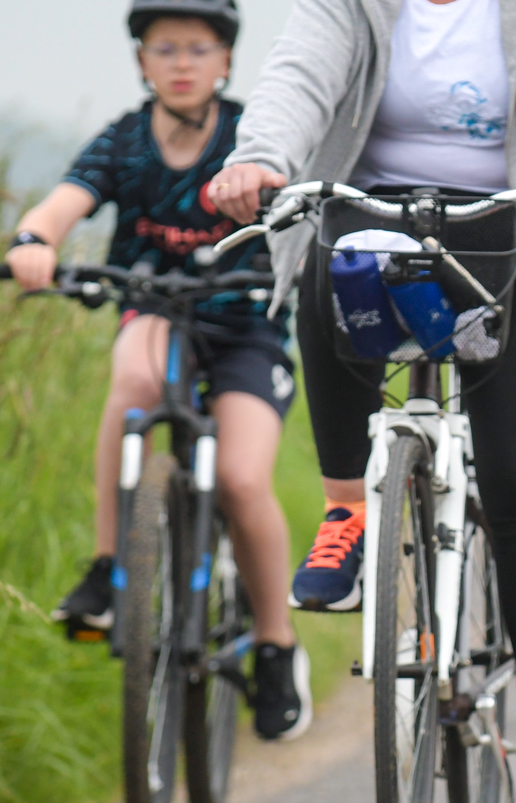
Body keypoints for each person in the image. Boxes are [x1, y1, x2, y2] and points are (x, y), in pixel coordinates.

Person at [209, 0, 516, 803]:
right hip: (374, 223)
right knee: (327, 247)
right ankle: (347, 509)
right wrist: (260, 158)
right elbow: (301, 72)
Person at [11, 0, 310, 742]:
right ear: (142, 61)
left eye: (198, 49)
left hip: (246, 328)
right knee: (135, 382)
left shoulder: (251, 136)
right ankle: (110, 566)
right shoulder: (126, 140)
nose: (181, 63)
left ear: (226, 61)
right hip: (156, 312)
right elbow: (64, 204)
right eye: (164, 48)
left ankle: (276, 644)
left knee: (242, 479)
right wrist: (34, 241)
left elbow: (303, 210)